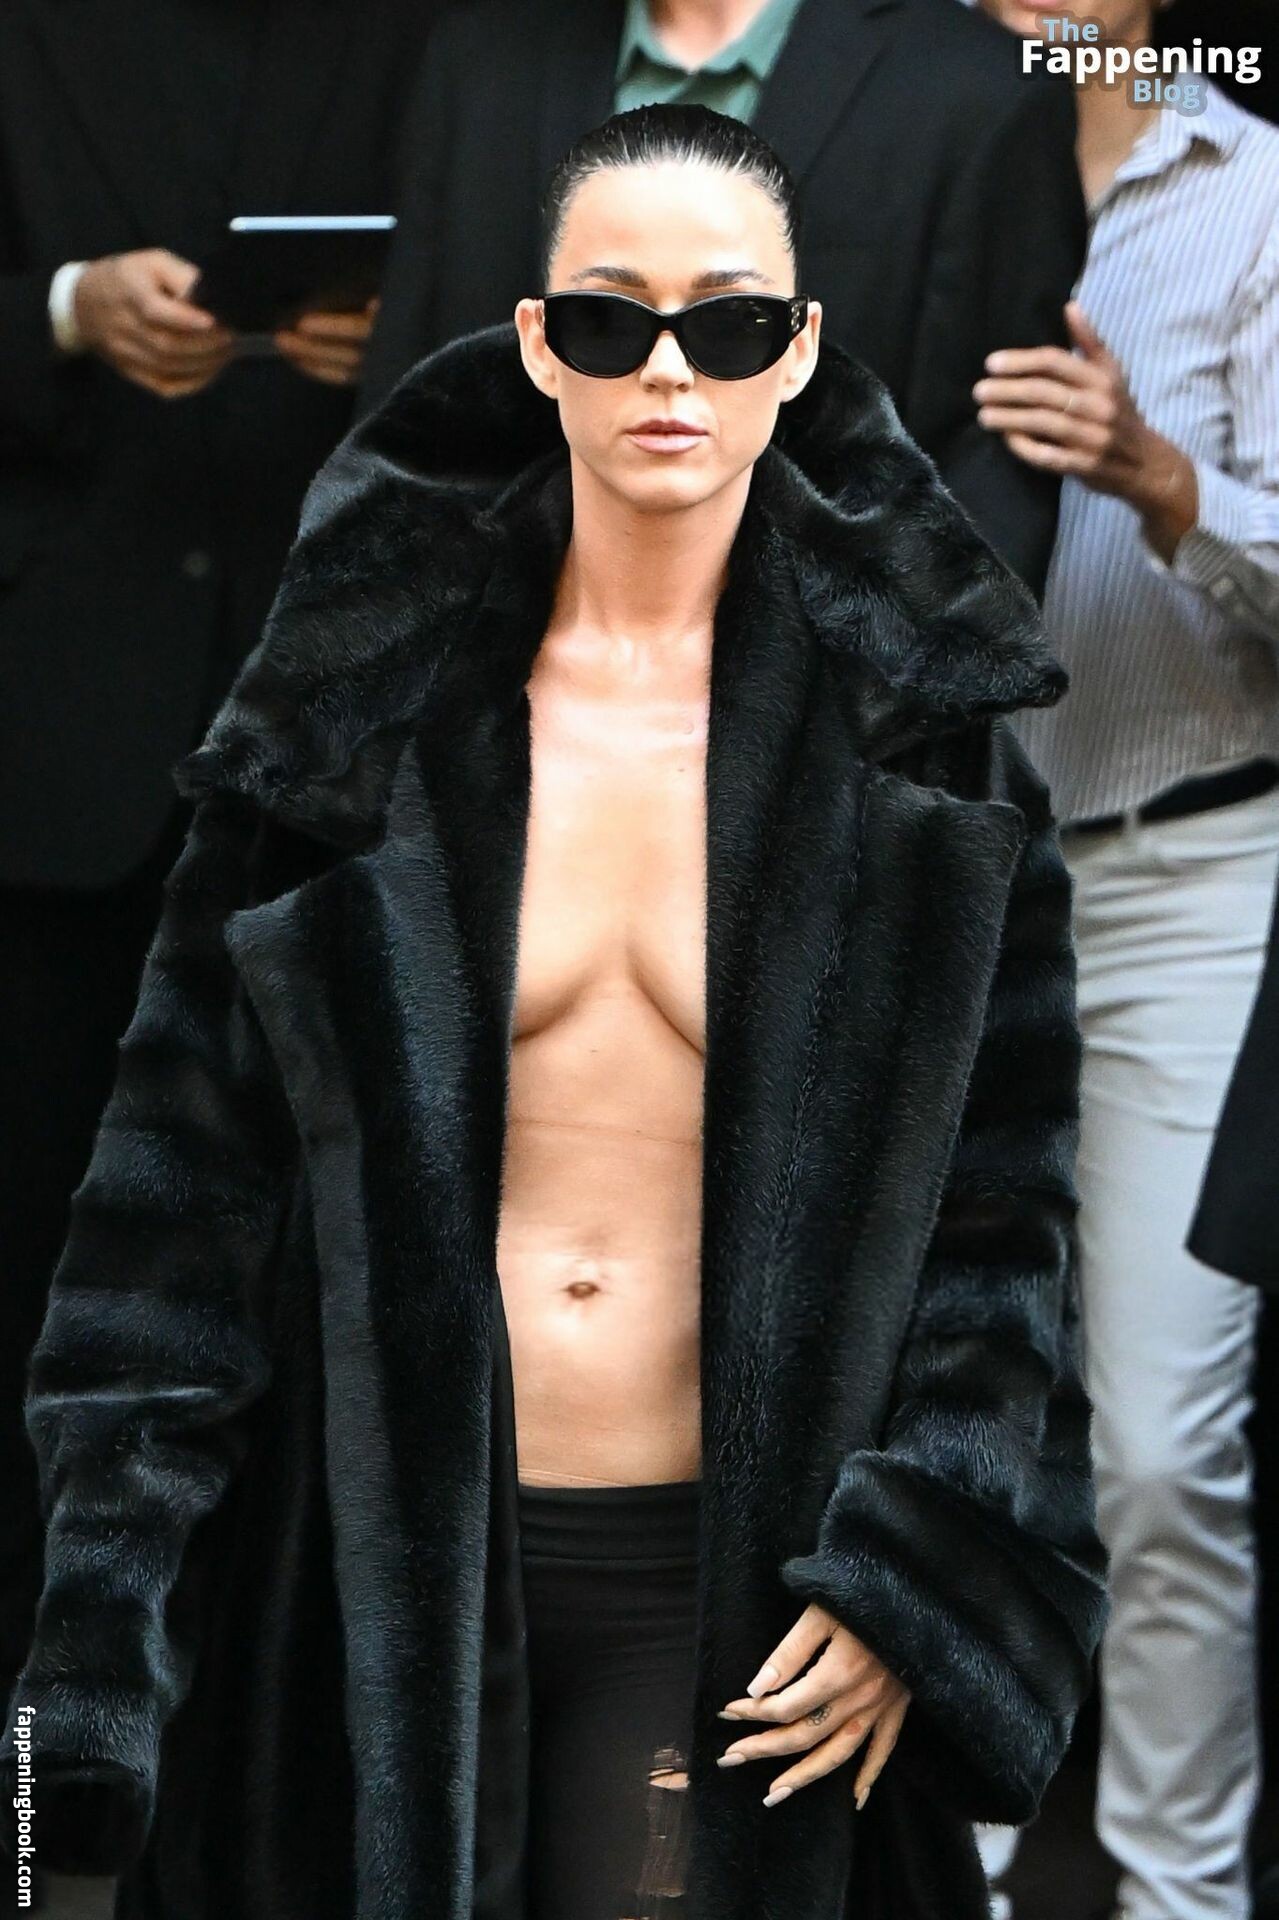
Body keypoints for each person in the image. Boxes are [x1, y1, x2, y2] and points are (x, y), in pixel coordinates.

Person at [0, 105, 1107, 1920]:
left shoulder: (928, 760)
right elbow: (172, 1205)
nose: (668, 371)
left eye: (726, 324)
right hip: (364, 1592)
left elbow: (1005, 1223)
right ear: (535, 344)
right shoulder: (346, 721)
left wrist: (918, 1567)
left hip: (743, 1600)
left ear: (797, 350)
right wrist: (92, 1662)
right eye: (610, 320)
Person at [0, 0, 438, 1835]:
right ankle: (43, 1784)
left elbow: (518, 313)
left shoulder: (426, 33)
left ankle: (275, 1789)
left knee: (331, 1298)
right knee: (37, 1285)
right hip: (54, 766)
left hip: (339, 752)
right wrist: (60, 310)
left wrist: (395, 345)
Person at [970, 3, 1279, 1917]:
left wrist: (1163, 482)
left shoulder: (1252, 187)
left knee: (1157, 1450)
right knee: (942, 1425)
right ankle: (953, 1870)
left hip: (1188, 866)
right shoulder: (907, 147)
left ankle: (1174, 1896)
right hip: (942, 884)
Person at [358, 0, 1089, 601]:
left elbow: (991, 463)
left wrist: (880, 700)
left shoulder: (976, 87)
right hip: (489, 664)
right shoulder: (481, 57)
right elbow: (408, 398)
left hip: (828, 682)